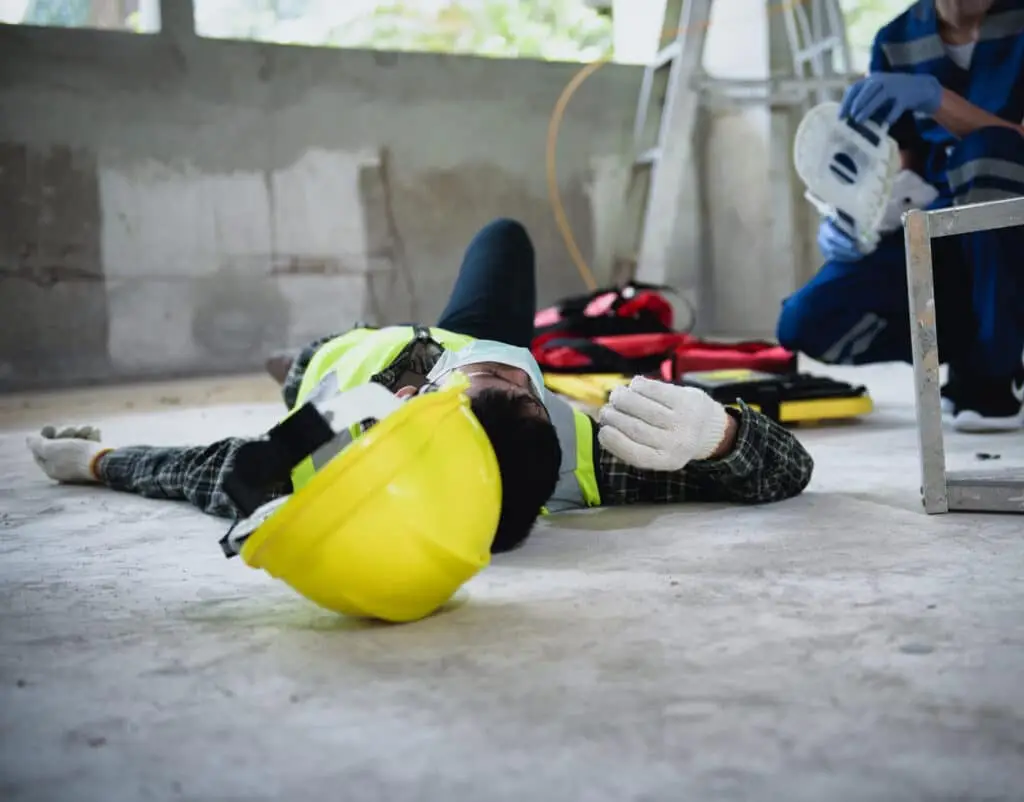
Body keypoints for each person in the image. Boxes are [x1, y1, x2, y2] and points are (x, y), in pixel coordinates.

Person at [28, 219, 814, 554]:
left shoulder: (342, 438)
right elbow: (787, 470)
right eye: (520, 381)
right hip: (421, 340)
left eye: (490, 378)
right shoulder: (585, 456)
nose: (491, 365)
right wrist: (721, 437)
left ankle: (286, 358)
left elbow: (201, 470)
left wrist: (96, 461)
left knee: (297, 362)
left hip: (339, 362)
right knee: (502, 240)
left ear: (416, 414)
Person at [776, 0, 1024, 433]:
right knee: (806, 320)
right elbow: (906, 173)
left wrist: (935, 96)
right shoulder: (896, 40)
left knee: (984, 154)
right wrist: (854, 219)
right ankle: (976, 343)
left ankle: (991, 378)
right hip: (941, 233)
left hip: (1010, 232)